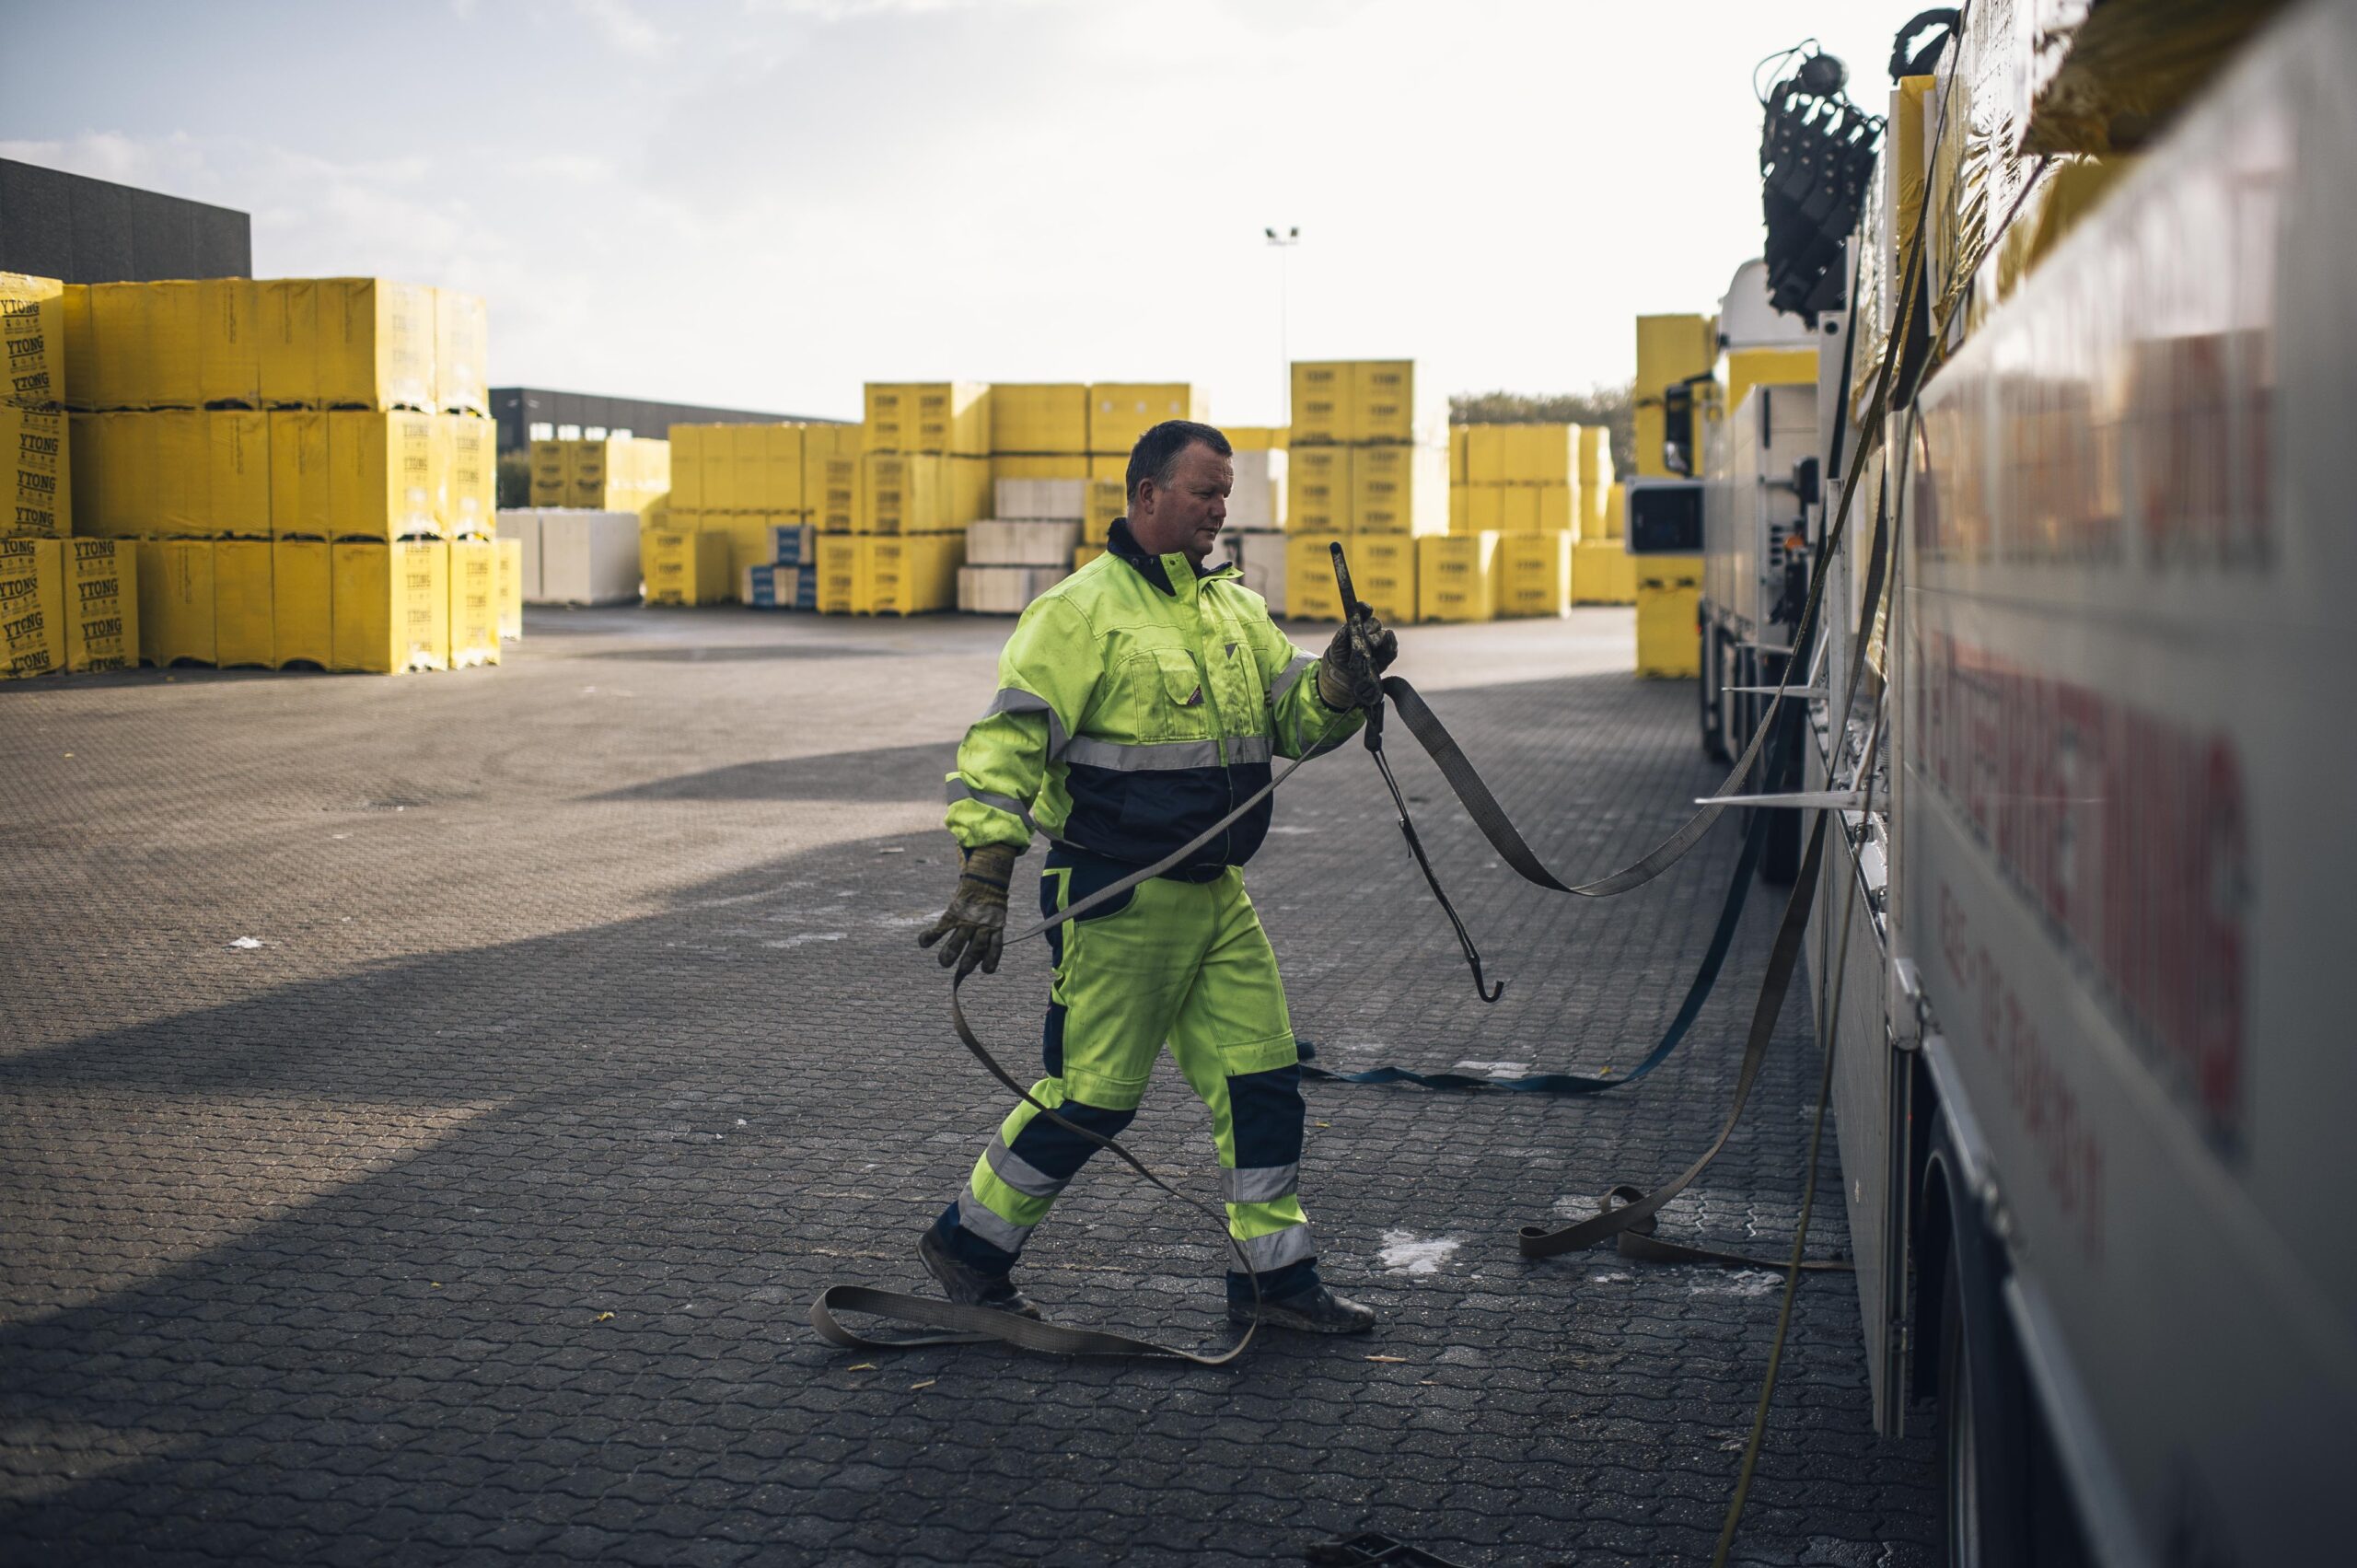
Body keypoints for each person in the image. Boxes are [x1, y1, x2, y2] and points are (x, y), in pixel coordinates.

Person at [916, 420, 1399, 1334]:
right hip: (1118, 898)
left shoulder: (1236, 612)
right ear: (1147, 494)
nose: (1219, 510)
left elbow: (1294, 723)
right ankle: (969, 1245)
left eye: (1225, 495)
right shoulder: (1077, 613)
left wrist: (1339, 679)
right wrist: (986, 868)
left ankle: (1275, 1278)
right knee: (1091, 1096)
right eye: (1204, 492)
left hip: (1219, 898)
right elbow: (1007, 743)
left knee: (1261, 1079)